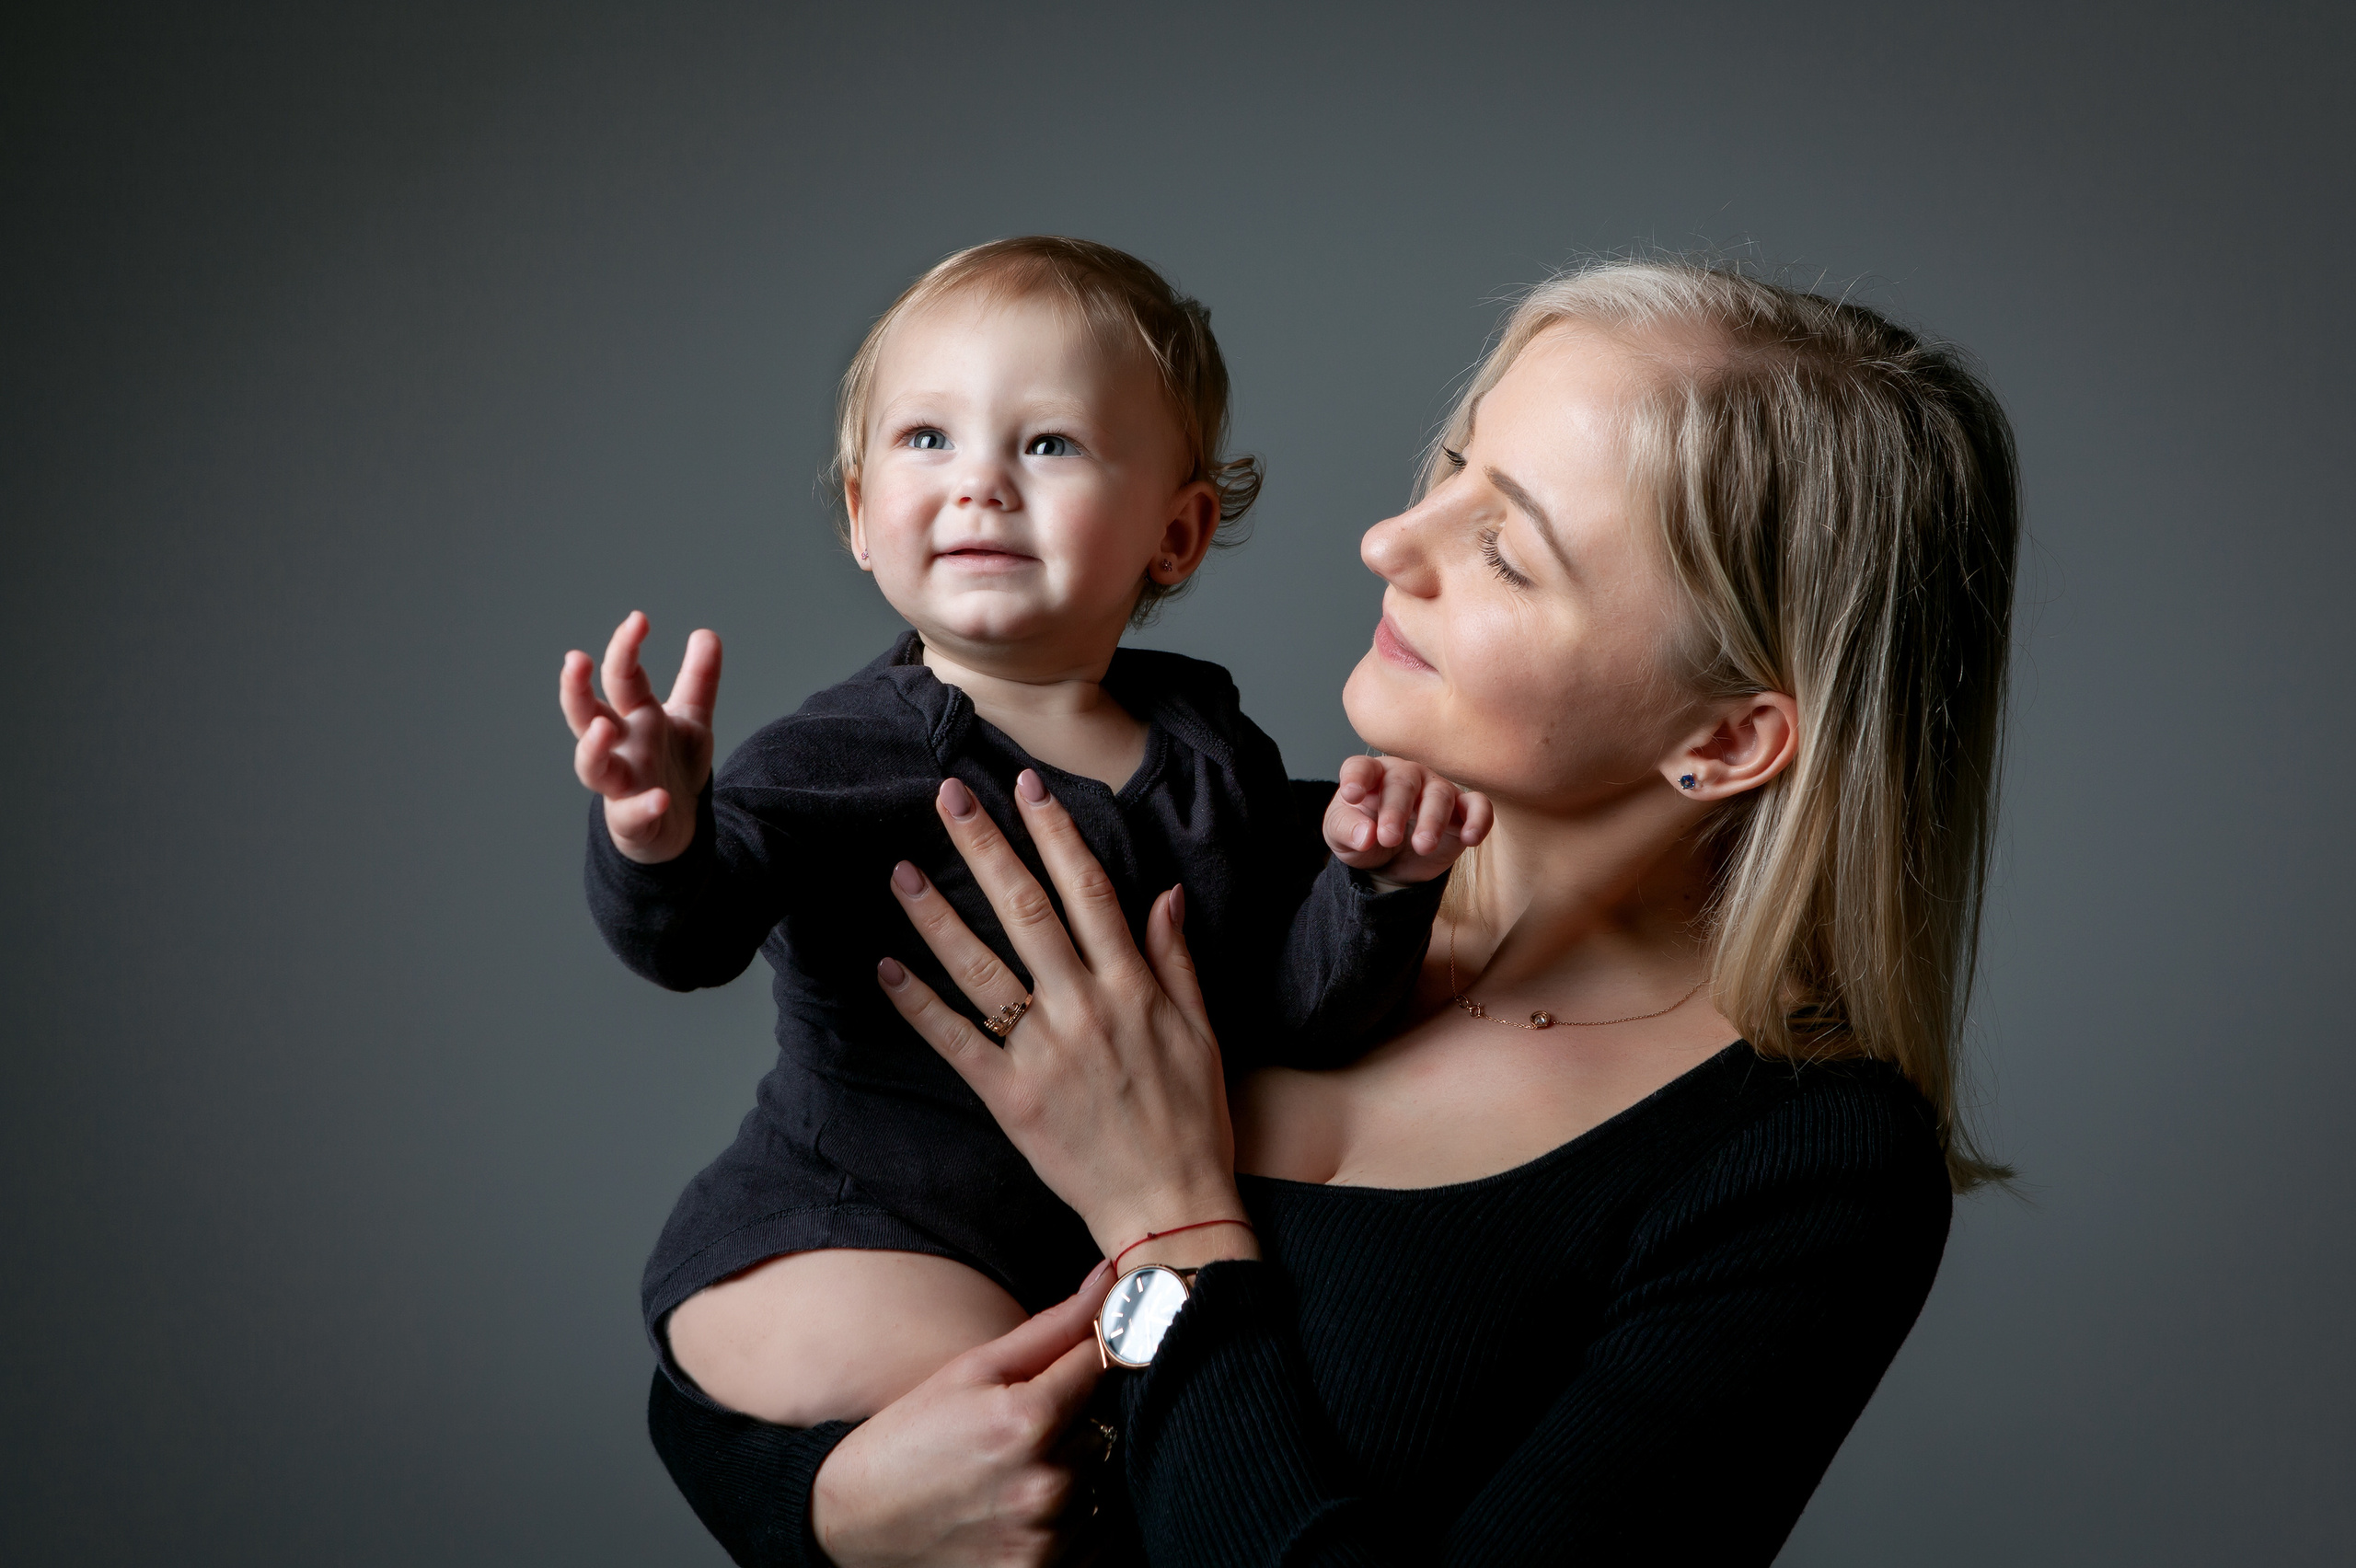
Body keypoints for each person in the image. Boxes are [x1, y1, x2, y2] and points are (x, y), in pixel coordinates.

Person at [647, 258, 2020, 1567]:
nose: (1389, 541)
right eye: (1453, 466)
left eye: (1507, 551)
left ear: (1724, 740)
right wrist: (821, 1512)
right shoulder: (1213, 848)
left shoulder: (1805, 1167)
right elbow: (791, 1280)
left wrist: (1164, 1223)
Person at [558, 237, 1484, 1431]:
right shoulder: (841, 752)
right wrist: (655, 831)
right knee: (1068, 1422)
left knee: (1168, 1414)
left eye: (1048, 444)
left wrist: (1375, 885)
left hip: (1063, 1255)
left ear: (1178, 533)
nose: (980, 483)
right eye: (926, 439)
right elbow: (691, 936)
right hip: (839, 1244)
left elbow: (1288, 1016)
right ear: (859, 514)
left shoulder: (1214, 754)